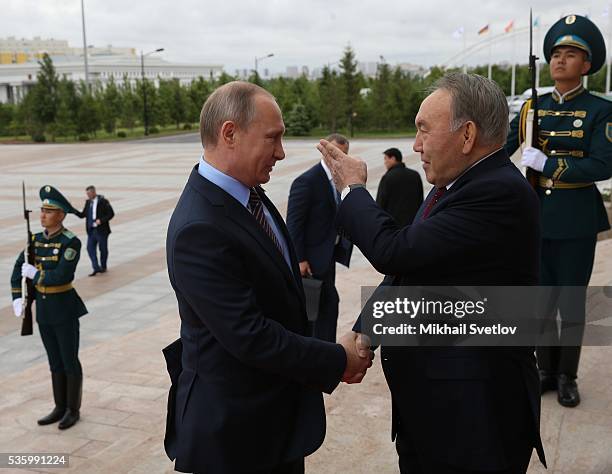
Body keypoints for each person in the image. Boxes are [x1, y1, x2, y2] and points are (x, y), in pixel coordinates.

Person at [318, 73, 546, 473]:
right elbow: (413, 268)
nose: (416, 145)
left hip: (475, 416)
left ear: (467, 134)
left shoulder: (496, 192)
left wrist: (353, 190)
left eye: (424, 130)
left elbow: (393, 251)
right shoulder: (457, 186)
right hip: (437, 409)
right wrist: (365, 330)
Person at [163, 81, 373, 474]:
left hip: (270, 425)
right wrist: (336, 358)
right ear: (230, 133)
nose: (281, 152)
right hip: (236, 438)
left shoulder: (247, 195)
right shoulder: (200, 227)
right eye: (273, 138)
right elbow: (250, 336)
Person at [505, 14, 611, 408]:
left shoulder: (601, 110)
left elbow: (604, 163)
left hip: (576, 222)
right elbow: (502, 147)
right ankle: (544, 369)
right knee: (540, 302)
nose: (560, 60)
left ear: (586, 65)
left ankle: (567, 375)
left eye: (570, 54)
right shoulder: (535, 105)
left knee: (570, 303)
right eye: (555, 54)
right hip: (536, 219)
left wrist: (547, 165)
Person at [10, 186, 87, 430]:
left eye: (49, 211)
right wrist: (17, 297)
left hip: (64, 309)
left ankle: (72, 410)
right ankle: (59, 406)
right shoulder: (35, 240)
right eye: (42, 210)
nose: (42, 215)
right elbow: (16, 270)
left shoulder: (70, 242)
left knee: (68, 359)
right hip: (43, 311)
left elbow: (63, 275)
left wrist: (37, 274)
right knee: (54, 361)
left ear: (61, 215)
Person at [286, 133, 354, 342]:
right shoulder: (307, 181)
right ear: (324, 151)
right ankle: (319, 351)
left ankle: (326, 348)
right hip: (311, 260)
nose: (338, 158)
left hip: (329, 255)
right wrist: (299, 259)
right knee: (318, 308)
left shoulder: (340, 180)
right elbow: (294, 223)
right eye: (335, 153)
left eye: (343, 154)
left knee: (326, 304)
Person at [376, 147, 423, 226]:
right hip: (413, 222)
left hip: (393, 224)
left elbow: (381, 202)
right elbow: (420, 199)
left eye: (386, 159)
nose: (385, 162)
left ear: (393, 158)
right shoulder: (415, 175)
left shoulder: (388, 177)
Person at [74, 185, 114, 276]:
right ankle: (96, 267)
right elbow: (83, 215)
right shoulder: (88, 202)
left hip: (101, 230)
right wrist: (73, 211)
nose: (88, 195)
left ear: (94, 192)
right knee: (90, 248)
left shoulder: (103, 201)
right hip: (91, 230)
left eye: (89, 193)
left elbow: (111, 214)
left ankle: (103, 267)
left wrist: (101, 220)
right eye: (87, 194)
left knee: (102, 249)